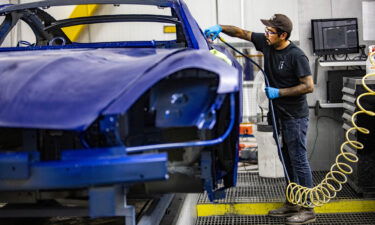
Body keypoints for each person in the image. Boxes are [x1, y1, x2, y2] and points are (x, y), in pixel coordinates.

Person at [204, 14, 315, 225]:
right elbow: (241, 32)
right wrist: (220, 27)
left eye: (270, 32)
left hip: (294, 117)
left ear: (283, 35)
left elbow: (308, 86)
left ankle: (308, 208)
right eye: (266, 30)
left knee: (298, 160)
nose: (266, 34)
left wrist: (279, 93)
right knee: (287, 160)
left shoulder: (296, 56)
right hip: (278, 115)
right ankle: (293, 202)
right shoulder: (267, 44)